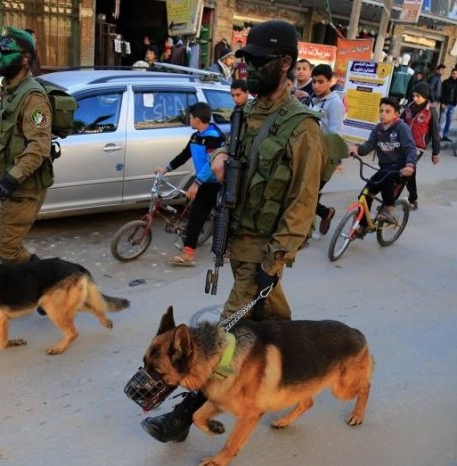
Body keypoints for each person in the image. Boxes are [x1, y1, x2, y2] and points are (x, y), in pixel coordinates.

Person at [140, 19, 325, 444]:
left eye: (258, 62)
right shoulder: (246, 113)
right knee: (277, 329)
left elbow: (302, 202)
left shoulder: (302, 127)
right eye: (246, 61)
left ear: (284, 63)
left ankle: (182, 417)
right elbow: (233, 152)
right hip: (239, 239)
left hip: (263, 249)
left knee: (221, 339)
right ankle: (297, 383)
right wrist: (221, 154)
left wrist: (273, 261)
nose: (249, 69)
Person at [0, 26, 53, 264]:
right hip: (6, 185)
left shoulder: (33, 97)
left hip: (23, 187)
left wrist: (11, 179)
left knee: (7, 249)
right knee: (4, 245)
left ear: (25, 58)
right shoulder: (9, 91)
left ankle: (43, 279)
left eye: (6, 51)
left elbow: (40, 146)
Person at [154, 103, 225, 266]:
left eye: (190, 117)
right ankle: (188, 254)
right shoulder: (195, 137)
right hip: (203, 183)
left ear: (197, 119)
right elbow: (184, 155)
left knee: (225, 218)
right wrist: (166, 168)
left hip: (217, 184)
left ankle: (228, 250)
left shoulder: (214, 137)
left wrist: (196, 184)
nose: (189, 120)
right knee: (195, 217)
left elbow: (211, 164)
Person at [349, 97, 417, 223]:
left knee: (387, 178)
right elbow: (369, 145)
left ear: (396, 114)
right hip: (385, 168)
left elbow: (411, 148)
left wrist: (409, 165)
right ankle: (363, 225)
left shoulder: (402, 127)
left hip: (401, 168)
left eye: (387, 111)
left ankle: (389, 209)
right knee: (364, 194)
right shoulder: (378, 128)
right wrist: (357, 148)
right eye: (381, 111)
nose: (383, 114)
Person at [309, 63, 346, 234]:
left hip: (325, 157)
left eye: (320, 82)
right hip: (311, 153)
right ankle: (324, 213)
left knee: (309, 194)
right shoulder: (314, 99)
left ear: (330, 82)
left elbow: (336, 134)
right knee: (308, 193)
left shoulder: (335, 103)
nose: (316, 86)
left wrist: (335, 161)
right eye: (314, 82)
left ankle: (306, 231)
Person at [401, 82, 441, 210]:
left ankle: (401, 201)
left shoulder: (431, 111)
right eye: (413, 95)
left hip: (417, 147)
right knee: (407, 171)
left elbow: (435, 133)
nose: (415, 98)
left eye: (418, 96)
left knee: (406, 169)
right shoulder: (409, 107)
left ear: (425, 96)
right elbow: (399, 122)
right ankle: (411, 198)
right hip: (403, 143)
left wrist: (436, 153)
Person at [440, 67, 457, 141]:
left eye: (456, 74)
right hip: (446, 104)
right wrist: (442, 103)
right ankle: (438, 136)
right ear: (451, 73)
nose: (455, 75)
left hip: (453, 105)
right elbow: (441, 93)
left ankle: (445, 135)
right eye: (454, 73)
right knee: (441, 121)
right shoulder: (446, 82)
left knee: (449, 122)